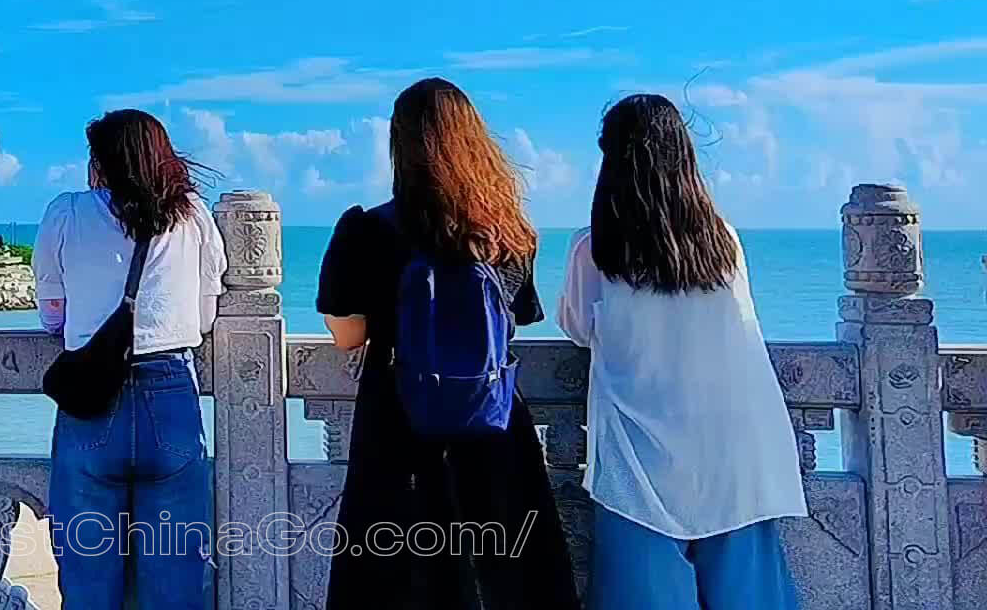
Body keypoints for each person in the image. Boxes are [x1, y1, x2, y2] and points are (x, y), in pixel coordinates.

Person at [317, 77, 580, 609]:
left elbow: (348, 336)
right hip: (493, 421)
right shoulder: (507, 234)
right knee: (507, 577)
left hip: (400, 426)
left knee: (396, 578)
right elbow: (520, 317)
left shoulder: (367, 231)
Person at [559, 94, 804, 610]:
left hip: (639, 464)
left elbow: (577, 328)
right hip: (736, 458)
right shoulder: (724, 245)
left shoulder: (596, 250)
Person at [34, 108, 226, 609]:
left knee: (88, 577)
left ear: (100, 163)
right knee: (179, 577)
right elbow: (204, 318)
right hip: (171, 395)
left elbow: (52, 316)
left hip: (92, 399)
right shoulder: (193, 216)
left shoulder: (66, 213)